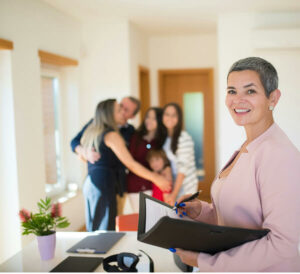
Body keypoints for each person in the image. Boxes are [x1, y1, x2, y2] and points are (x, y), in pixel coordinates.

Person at [171, 57, 300, 271]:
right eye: (232, 91)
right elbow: (239, 218)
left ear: (273, 98)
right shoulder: (249, 146)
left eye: (250, 91)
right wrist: (201, 211)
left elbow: (282, 244)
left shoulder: (280, 156)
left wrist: (202, 261)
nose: (237, 100)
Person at [79, 99, 171, 231]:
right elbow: (130, 164)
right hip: (103, 184)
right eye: (119, 110)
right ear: (109, 114)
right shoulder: (111, 135)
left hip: (91, 182)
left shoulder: (93, 132)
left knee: (95, 228)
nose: (122, 112)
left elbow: (84, 157)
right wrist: (156, 178)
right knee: (105, 230)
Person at [70, 96, 140, 214]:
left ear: (132, 116)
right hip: (100, 181)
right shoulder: (96, 123)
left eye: (126, 110)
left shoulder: (131, 131)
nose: (122, 110)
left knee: (115, 220)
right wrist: (84, 152)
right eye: (121, 106)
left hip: (118, 183)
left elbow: (131, 159)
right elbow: (74, 142)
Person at [126, 107, 166, 212]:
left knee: (156, 217)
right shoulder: (135, 137)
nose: (149, 120)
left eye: (154, 118)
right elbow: (130, 162)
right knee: (141, 219)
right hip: (135, 185)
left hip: (154, 185)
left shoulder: (161, 141)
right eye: (148, 117)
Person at [161, 102, 198, 206]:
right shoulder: (164, 138)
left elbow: (183, 169)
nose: (169, 118)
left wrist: (174, 194)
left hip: (184, 188)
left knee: (183, 219)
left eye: (174, 115)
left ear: (179, 118)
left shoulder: (184, 138)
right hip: (171, 186)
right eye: (167, 114)